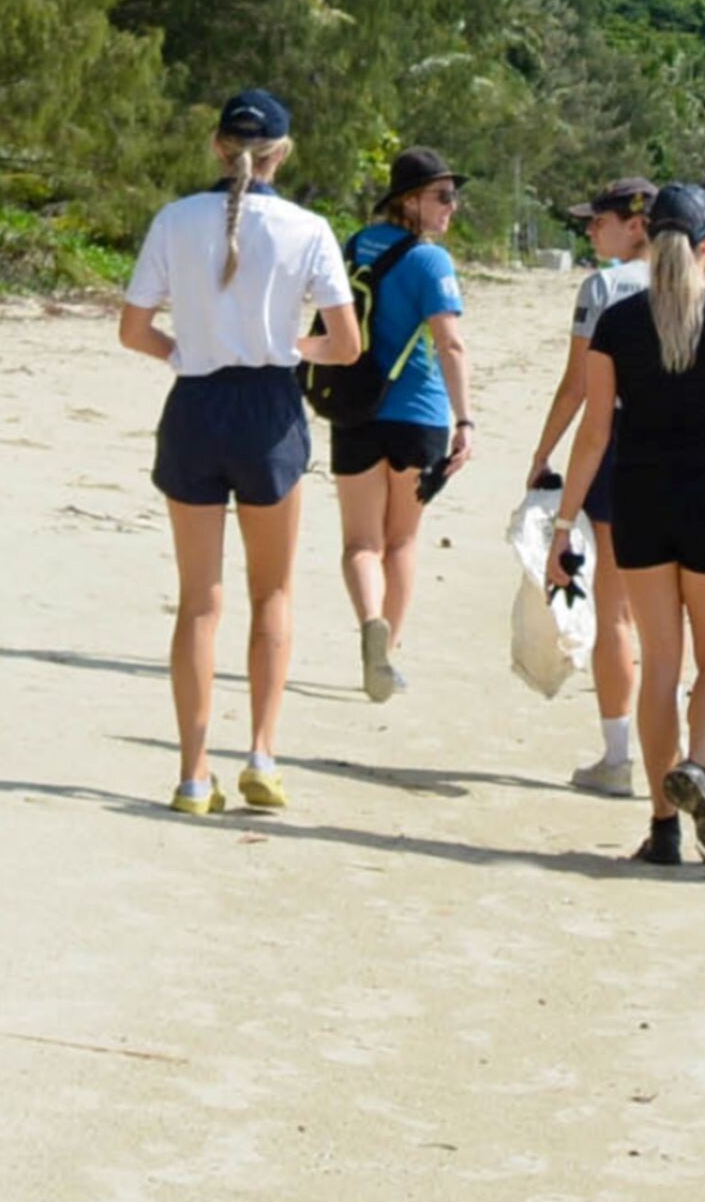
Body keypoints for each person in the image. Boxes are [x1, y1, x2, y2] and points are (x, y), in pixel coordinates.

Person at [117, 90, 361, 817]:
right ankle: (261, 752)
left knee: (198, 602)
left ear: (219, 147)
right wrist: (293, 347)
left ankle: (194, 775)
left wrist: (186, 352)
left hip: (195, 406)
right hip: (269, 409)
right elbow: (346, 345)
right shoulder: (308, 228)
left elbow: (133, 330)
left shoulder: (175, 220)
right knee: (273, 594)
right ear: (280, 154)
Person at [562, 180, 705, 870]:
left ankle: (663, 829)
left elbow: (595, 433)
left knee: (661, 664)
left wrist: (564, 518)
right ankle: (703, 770)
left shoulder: (617, 326)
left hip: (640, 500)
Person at [523, 179, 656, 794]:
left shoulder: (603, 287)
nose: (588, 231)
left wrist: (544, 450)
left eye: (596, 221)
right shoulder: (698, 285)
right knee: (671, 613)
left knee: (617, 609)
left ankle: (618, 756)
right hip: (690, 451)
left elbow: (577, 385)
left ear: (634, 224)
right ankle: (675, 753)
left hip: (620, 441)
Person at [332, 146, 472, 705]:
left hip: (353, 407)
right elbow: (451, 342)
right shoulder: (429, 261)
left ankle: (370, 622)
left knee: (360, 543)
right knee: (403, 542)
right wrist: (466, 420)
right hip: (419, 413)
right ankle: (386, 656)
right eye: (442, 196)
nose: (451, 207)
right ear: (409, 201)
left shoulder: (354, 247)